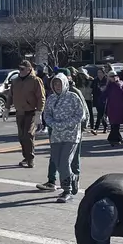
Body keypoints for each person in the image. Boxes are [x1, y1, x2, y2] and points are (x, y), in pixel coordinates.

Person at [40, 73, 85, 203]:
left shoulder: (73, 97)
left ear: (65, 83)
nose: (57, 86)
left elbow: (80, 115)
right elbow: (47, 115)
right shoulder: (51, 99)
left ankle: (67, 190)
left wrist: (66, 124)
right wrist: (53, 124)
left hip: (71, 136)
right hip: (56, 136)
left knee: (65, 162)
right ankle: (72, 178)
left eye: (60, 83)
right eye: (55, 83)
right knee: (58, 162)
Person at [11, 60, 45, 168]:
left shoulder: (36, 81)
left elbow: (41, 97)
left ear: (29, 69)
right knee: (21, 136)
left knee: (28, 135)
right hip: (19, 112)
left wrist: (39, 112)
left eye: (22, 69)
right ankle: (26, 157)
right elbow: (10, 96)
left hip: (31, 112)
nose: (20, 71)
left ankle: (30, 159)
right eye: (19, 68)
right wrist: (7, 108)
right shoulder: (15, 81)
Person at [103, 69, 123, 147]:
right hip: (111, 107)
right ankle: (116, 139)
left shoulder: (122, 84)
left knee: (116, 124)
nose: (112, 78)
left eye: (114, 76)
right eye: (110, 76)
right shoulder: (109, 85)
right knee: (113, 124)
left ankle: (114, 139)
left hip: (120, 107)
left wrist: (119, 87)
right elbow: (104, 95)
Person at [92, 67, 109, 134]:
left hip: (105, 99)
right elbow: (93, 89)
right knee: (101, 114)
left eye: (101, 72)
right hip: (97, 98)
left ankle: (96, 128)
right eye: (98, 72)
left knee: (100, 114)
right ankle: (105, 126)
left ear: (104, 73)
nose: (99, 74)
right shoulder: (95, 80)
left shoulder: (106, 80)